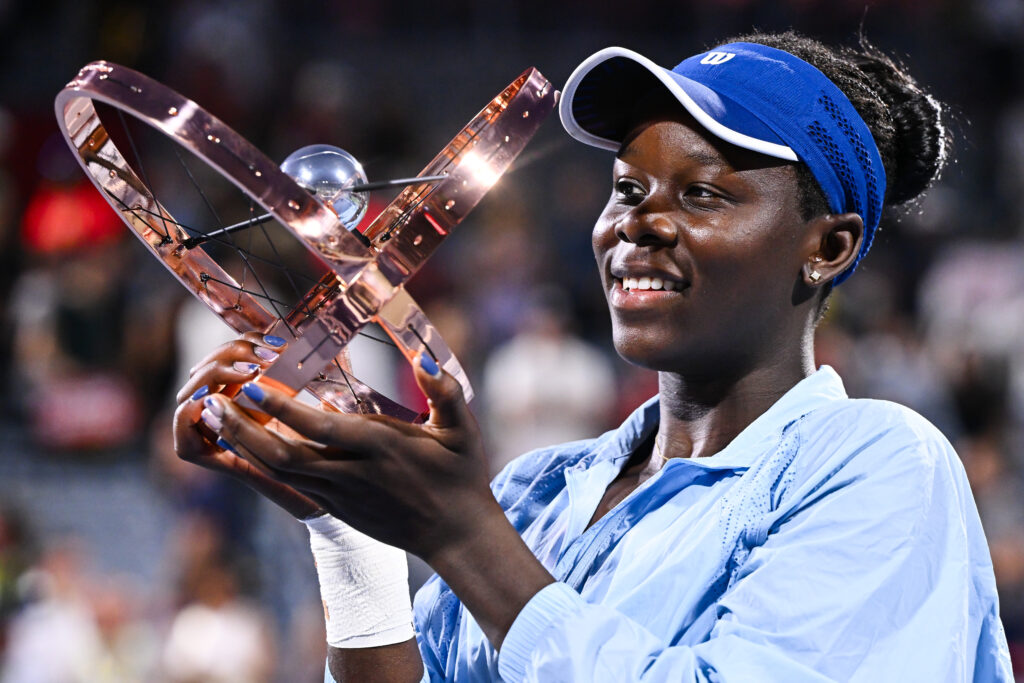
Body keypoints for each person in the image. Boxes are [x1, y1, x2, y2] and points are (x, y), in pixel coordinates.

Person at [173, 31, 1014, 681]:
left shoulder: (880, 466)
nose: (635, 223)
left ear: (826, 247)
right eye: (626, 189)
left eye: (703, 193)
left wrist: (462, 534)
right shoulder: (535, 492)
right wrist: (346, 531)